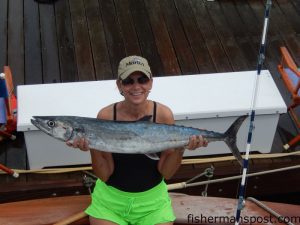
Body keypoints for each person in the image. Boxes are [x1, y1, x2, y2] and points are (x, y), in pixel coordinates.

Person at [68, 56, 208, 225]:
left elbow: (167, 173)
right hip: (110, 203)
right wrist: (92, 145)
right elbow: (104, 175)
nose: (136, 87)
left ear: (151, 82)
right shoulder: (106, 116)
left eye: (142, 80)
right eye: (128, 81)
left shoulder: (163, 114)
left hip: (153, 204)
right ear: (119, 85)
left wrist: (181, 148)